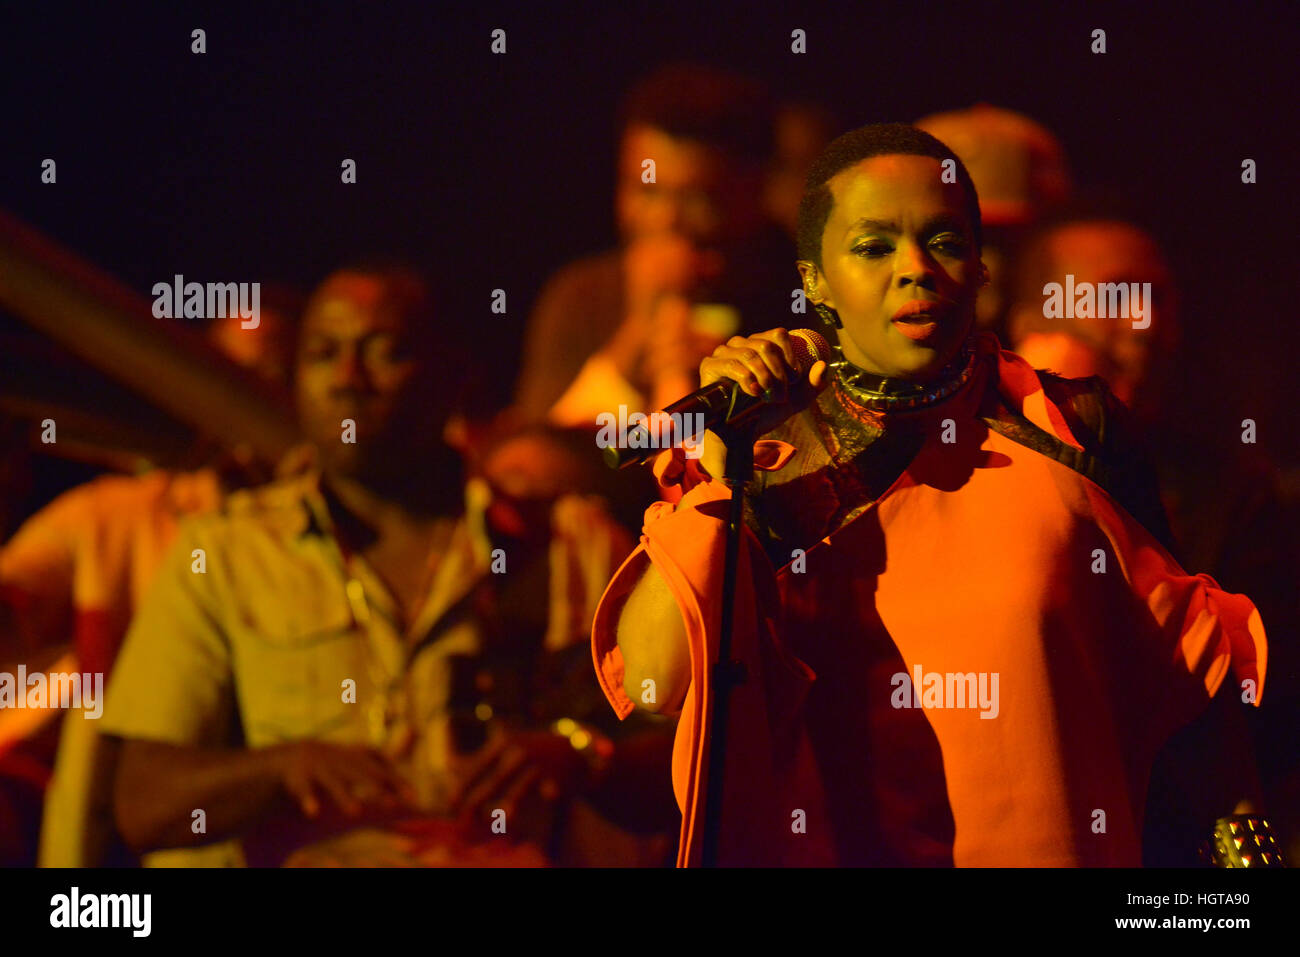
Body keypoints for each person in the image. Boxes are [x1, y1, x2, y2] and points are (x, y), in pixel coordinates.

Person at [591, 124, 1276, 866]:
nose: (916, 269)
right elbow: (658, 679)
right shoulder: (767, 452)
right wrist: (726, 473)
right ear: (815, 281)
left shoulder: (1068, 426)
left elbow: (1191, 686)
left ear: (980, 267)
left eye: (944, 240)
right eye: (875, 246)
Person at [101, 265, 653, 866]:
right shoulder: (225, 552)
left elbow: (689, 754)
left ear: (455, 379)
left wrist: (581, 753)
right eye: (321, 353)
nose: (347, 379)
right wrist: (285, 768)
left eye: (385, 352)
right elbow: (143, 803)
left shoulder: (570, 542)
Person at [513, 63, 793, 428]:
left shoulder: (802, 290)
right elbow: (540, 459)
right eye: (645, 191)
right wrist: (634, 343)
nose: (663, 221)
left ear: (753, 190)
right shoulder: (581, 294)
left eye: (696, 200)